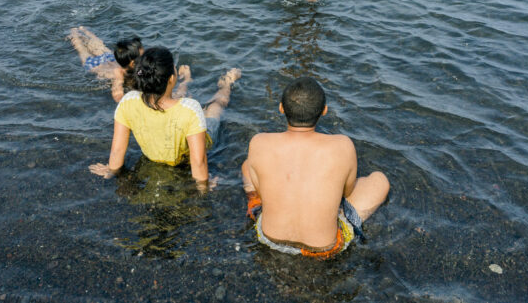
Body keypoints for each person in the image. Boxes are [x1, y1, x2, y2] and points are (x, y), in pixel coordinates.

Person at [241, 77, 389, 258]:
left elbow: (261, 186)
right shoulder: (342, 145)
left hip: (269, 238)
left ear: (281, 108)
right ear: (324, 111)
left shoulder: (259, 142)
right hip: (325, 247)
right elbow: (347, 192)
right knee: (379, 180)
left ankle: (254, 203)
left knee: (248, 165)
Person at [89, 47, 241, 188]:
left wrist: (112, 171)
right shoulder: (190, 109)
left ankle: (187, 81)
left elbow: (117, 151)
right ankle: (226, 83)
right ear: (170, 78)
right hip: (191, 143)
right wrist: (203, 186)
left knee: (178, 101)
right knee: (217, 105)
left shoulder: (128, 102)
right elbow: (198, 161)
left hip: (154, 154)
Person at [68, 27, 191, 102]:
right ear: (133, 63)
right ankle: (74, 34)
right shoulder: (119, 73)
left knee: (100, 47)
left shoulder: (134, 66)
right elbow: (117, 94)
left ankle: (84, 31)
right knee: (82, 51)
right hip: (95, 66)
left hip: (112, 59)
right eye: (142, 54)